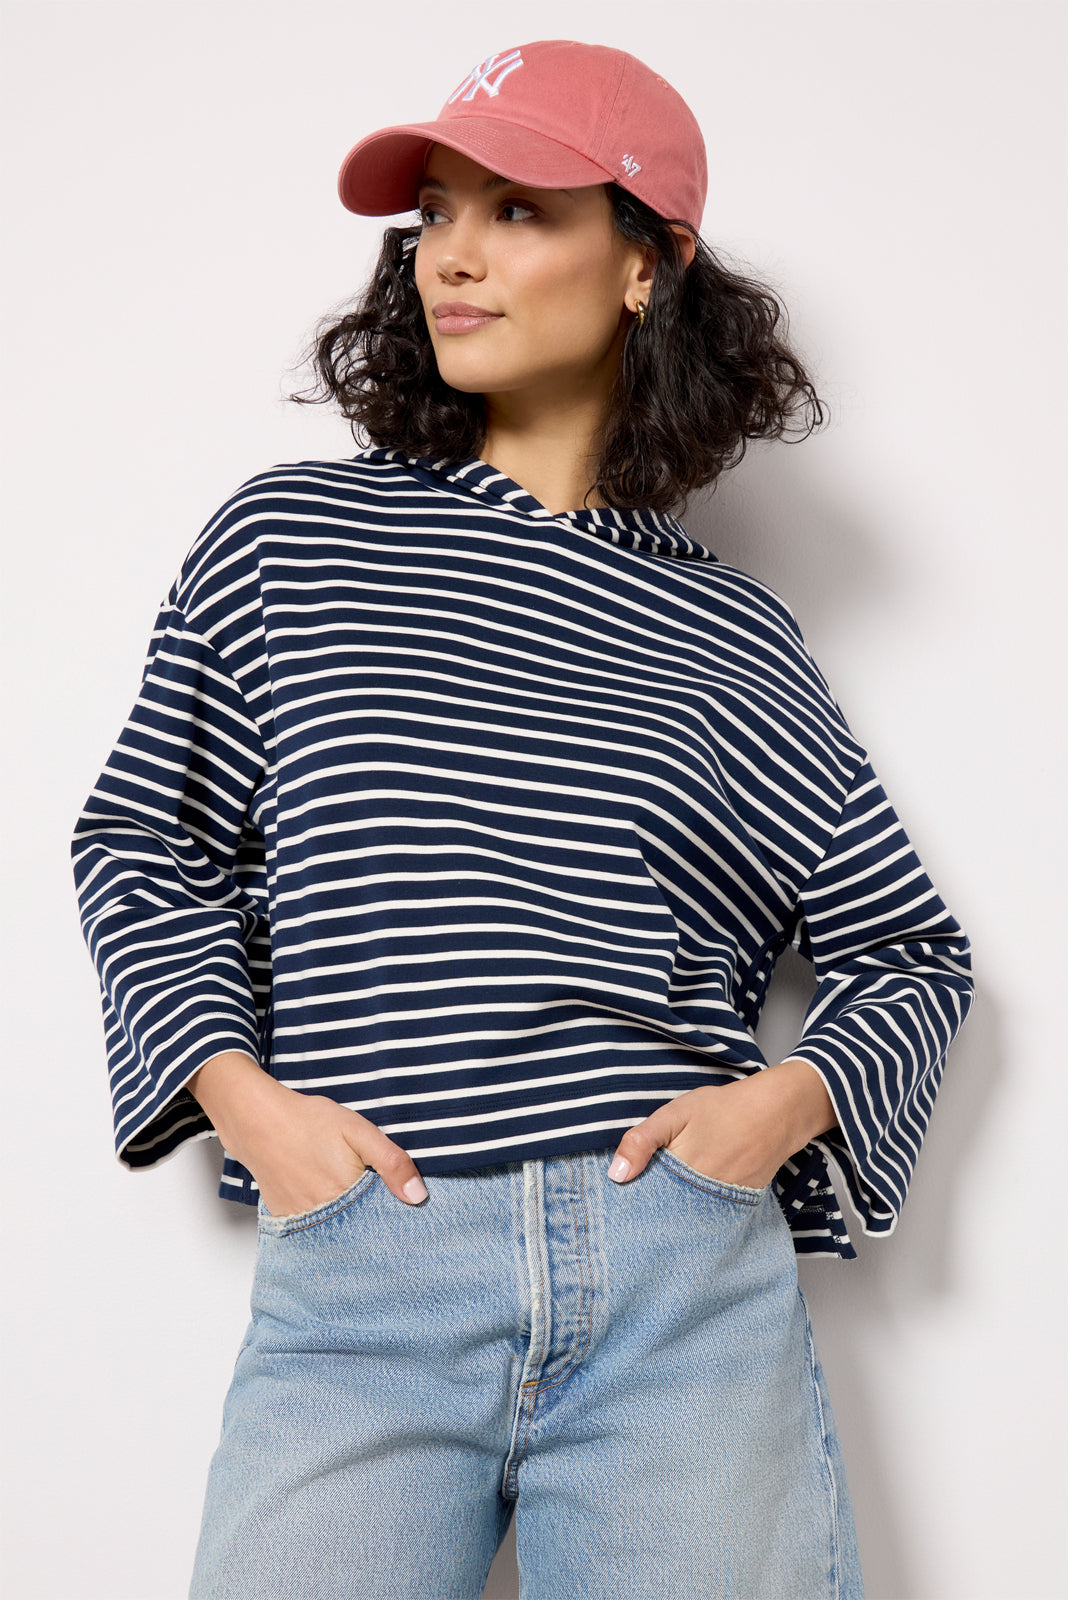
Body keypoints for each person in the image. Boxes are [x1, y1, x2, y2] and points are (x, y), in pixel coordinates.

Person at [70, 38, 974, 1600]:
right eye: (434, 212)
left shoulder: (736, 636)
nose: (452, 255)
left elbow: (911, 955)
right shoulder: (295, 542)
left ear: (645, 265)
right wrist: (248, 1105)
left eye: (518, 209)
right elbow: (146, 849)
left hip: (676, 1282)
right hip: (366, 1264)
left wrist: (772, 1113)